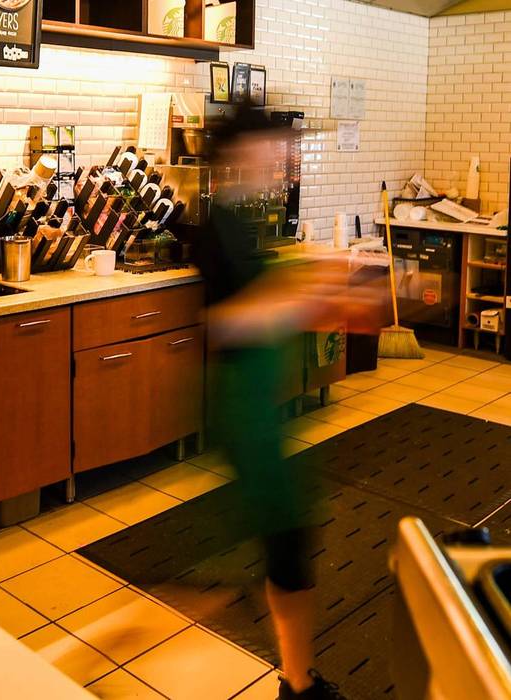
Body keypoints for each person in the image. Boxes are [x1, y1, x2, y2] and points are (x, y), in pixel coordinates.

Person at [194, 104, 377, 700]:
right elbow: (224, 324)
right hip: (241, 409)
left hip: (256, 408)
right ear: (243, 152)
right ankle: (297, 684)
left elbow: (256, 299)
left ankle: (297, 678)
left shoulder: (238, 217)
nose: (284, 155)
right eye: (276, 144)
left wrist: (307, 287)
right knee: (287, 538)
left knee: (286, 539)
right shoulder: (217, 222)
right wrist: (306, 296)